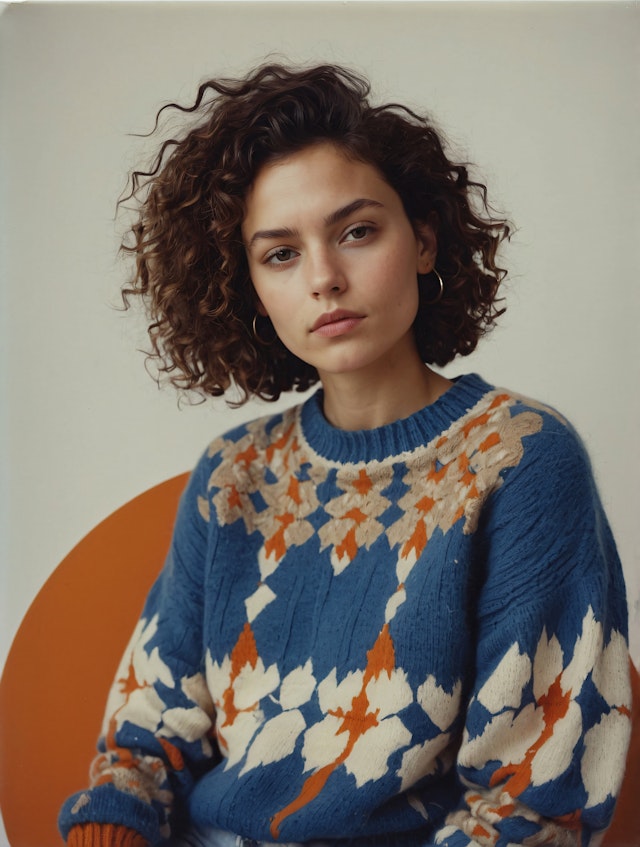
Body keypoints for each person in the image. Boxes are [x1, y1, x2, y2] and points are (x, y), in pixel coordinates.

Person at [59, 63, 631, 847]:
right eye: (280, 254)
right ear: (250, 287)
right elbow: (143, 743)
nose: (325, 279)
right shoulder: (232, 474)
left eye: (356, 231)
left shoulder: (521, 459)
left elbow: (536, 798)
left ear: (423, 239)